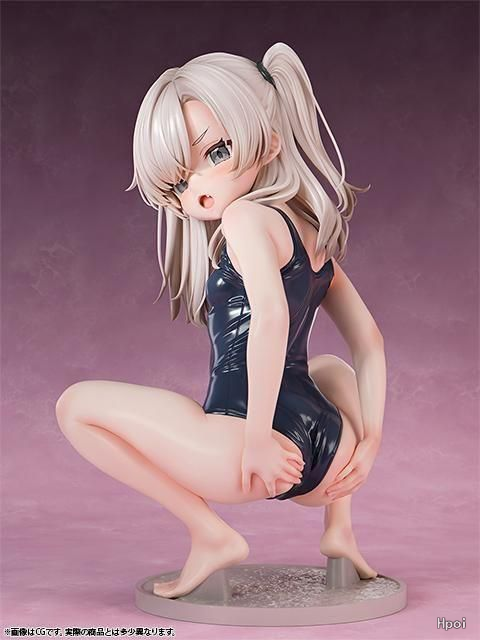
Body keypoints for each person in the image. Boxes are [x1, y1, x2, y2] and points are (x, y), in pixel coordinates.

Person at [55, 42, 386, 599]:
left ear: (269, 141)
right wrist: (370, 441)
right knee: (330, 366)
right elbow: (369, 342)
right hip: (329, 456)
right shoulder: (309, 230)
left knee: (74, 407)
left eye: (217, 152)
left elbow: (271, 319)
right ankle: (340, 531)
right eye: (178, 183)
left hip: (248, 452)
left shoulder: (244, 217)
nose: (198, 189)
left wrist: (255, 441)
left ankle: (209, 533)